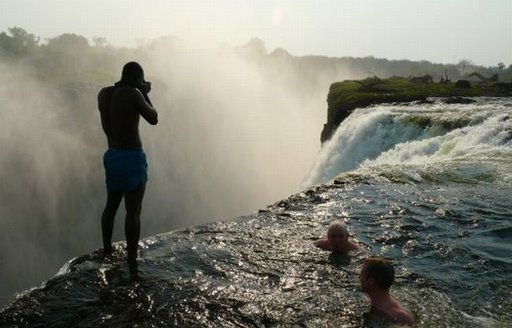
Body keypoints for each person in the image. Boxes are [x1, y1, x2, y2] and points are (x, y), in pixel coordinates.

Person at [97, 61, 158, 271]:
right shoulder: (133, 93)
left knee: (111, 206)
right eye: (141, 80)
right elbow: (153, 118)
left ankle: (106, 249)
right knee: (133, 211)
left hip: (112, 155)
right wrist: (144, 92)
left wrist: (138, 87)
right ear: (136, 78)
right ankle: (132, 261)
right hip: (131, 156)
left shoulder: (103, 93)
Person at [359, 256, 414, 326]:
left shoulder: (399, 316)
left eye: (361, 275)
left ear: (371, 282)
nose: (359, 278)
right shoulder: (369, 299)